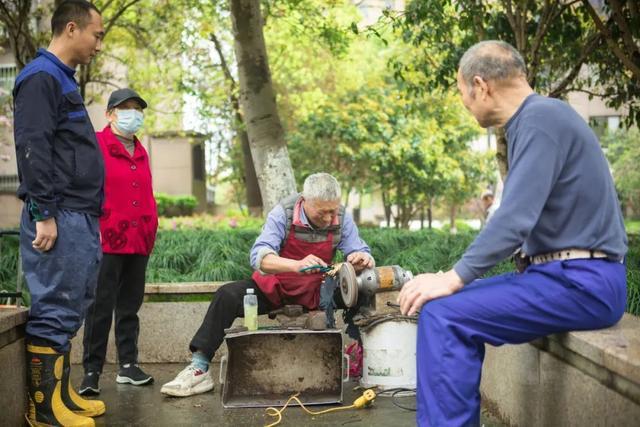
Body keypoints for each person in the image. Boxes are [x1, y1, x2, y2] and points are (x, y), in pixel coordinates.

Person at [398, 40, 627, 427]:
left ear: (480, 85)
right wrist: (448, 279)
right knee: (437, 309)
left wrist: (454, 277)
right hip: (559, 277)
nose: (464, 103)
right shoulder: (534, 121)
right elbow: (517, 218)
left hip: (585, 283)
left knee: (444, 316)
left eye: (461, 93)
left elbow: (514, 219)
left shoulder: (541, 119)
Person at [160, 172, 375, 397]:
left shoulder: (340, 216)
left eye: (334, 210)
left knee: (365, 289)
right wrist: (296, 265)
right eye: (324, 212)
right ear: (305, 201)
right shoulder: (283, 213)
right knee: (227, 295)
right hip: (275, 290)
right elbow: (259, 257)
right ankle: (199, 368)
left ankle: (368, 362)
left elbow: (359, 250)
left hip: (318, 292)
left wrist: (362, 257)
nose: (331, 219)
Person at [13, 1, 106, 426]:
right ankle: (44, 410)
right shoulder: (40, 78)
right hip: (59, 214)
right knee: (55, 306)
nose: (98, 45)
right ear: (72, 28)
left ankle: (62, 397)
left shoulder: (60, 78)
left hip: (78, 213)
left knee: (72, 306)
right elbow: (33, 149)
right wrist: (44, 212)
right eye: (97, 35)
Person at [78, 88, 158, 396]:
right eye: (124, 108)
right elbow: (85, 188)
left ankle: (128, 366)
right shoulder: (96, 144)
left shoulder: (140, 149)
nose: (132, 113)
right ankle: (91, 371)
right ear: (109, 114)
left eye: (137, 108)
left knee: (129, 306)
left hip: (139, 239)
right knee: (100, 306)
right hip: (107, 238)